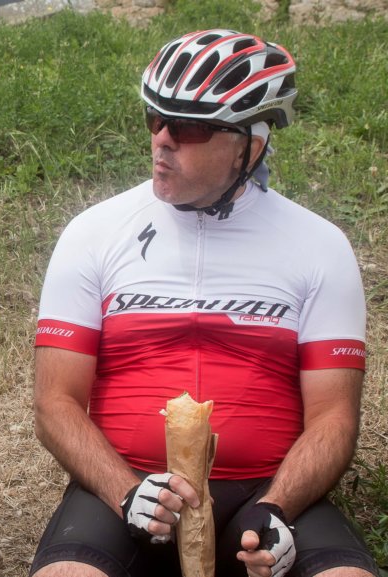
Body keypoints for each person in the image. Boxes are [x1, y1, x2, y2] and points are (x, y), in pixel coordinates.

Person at [30, 29, 379, 577]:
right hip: (127, 489)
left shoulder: (319, 245)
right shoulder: (92, 233)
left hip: (264, 493)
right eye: (154, 119)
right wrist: (126, 493)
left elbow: (334, 417)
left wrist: (278, 505)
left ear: (250, 146)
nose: (162, 140)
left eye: (189, 128)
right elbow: (55, 403)